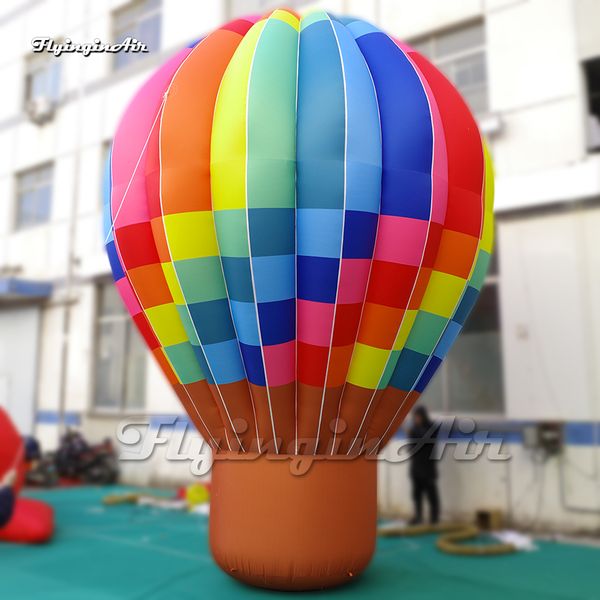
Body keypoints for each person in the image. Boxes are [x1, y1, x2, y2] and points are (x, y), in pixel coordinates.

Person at [407, 405, 440, 525]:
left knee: (431, 494)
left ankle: (434, 519)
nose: (417, 419)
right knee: (416, 494)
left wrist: (413, 432)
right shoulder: (414, 429)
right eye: (415, 417)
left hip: (428, 468)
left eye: (418, 417)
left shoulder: (431, 428)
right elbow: (412, 447)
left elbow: (426, 438)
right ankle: (418, 516)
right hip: (416, 467)